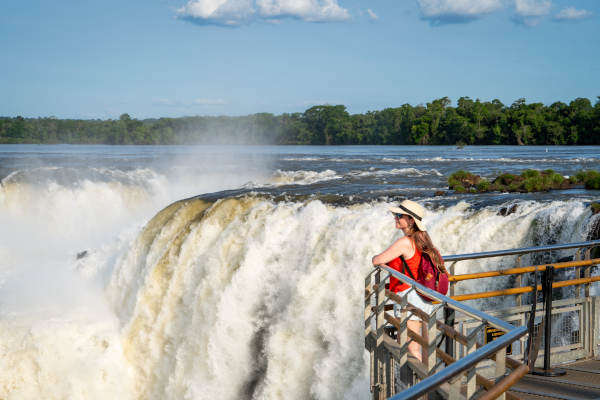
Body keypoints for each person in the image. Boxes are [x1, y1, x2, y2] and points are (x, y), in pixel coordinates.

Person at [371, 199, 445, 362]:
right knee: (426, 346)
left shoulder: (405, 242)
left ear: (411, 220)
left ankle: (418, 385)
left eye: (399, 215)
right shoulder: (424, 239)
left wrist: (378, 260)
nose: (395, 218)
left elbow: (377, 260)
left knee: (411, 347)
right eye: (395, 215)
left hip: (409, 297)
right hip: (425, 294)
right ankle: (428, 381)